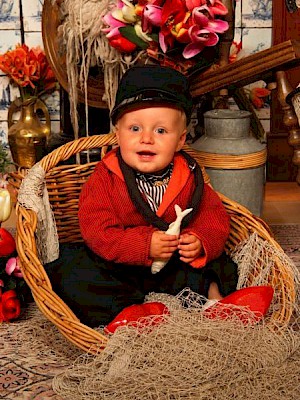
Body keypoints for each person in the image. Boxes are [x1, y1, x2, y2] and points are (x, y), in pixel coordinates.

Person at [45, 65, 238, 327]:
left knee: (221, 263)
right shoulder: (105, 176)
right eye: (135, 129)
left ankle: (215, 303)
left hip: (172, 264)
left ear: (180, 141)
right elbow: (97, 231)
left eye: (160, 131)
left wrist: (200, 241)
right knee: (69, 268)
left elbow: (214, 217)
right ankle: (127, 312)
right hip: (121, 267)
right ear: (118, 134)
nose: (146, 138)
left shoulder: (189, 174)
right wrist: (144, 245)